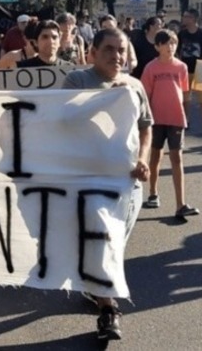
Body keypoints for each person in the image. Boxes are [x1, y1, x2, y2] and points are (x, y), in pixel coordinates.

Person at [63, 28, 152, 341]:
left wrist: (143, 159)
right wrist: (109, 99)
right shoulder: (77, 81)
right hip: (89, 180)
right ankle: (108, 310)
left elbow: (145, 129)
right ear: (93, 53)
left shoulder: (134, 86)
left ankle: (95, 286)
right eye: (109, 49)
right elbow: (65, 122)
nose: (117, 55)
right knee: (105, 240)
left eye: (122, 49)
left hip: (127, 184)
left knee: (116, 243)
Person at [141, 31, 199, 218]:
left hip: (176, 119)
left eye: (174, 43)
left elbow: (184, 93)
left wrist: (186, 115)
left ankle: (180, 204)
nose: (171, 47)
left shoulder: (181, 67)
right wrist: (145, 120)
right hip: (156, 119)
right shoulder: (151, 68)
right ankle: (152, 193)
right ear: (157, 46)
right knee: (155, 156)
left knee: (177, 158)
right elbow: (145, 95)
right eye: (166, 43)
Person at [178, 8, 202, 135]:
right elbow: (178, 53)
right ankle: (186, 121)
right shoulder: (181, 34)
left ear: (193, 19)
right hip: (185, 70)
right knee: (185, 98)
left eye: (186, 16)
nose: (184, 18)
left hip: (201, 70)